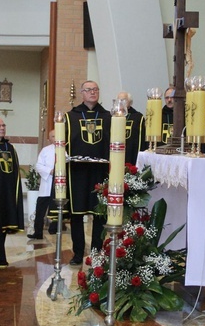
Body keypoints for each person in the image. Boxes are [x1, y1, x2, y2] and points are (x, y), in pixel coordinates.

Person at [64, 80, 110, 265]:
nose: (92, 92)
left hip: (100, 171)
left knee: (99, 214)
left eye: (95, 89)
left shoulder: (108, 117)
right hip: (78, 172)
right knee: (77, 214)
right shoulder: (70, 117)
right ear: (82, 93)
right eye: (89, 90)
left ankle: (97, 252)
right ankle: (77, 253)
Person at [27, 133, 56, 240]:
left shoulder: (66, 150)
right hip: (46, 183)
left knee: (57, 209)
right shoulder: (45, 150)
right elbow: (39, 165)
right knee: (40, 210)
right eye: (53, 136)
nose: (56, 137)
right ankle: (38, 232)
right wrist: (50, 171)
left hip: (59, 185)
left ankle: (54, 229)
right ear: (49, 139)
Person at [116, 91, 146, 165]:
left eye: (123, 100)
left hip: (131, 152)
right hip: (117, 151)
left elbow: (140, 138)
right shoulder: (113, 117)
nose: (121, 102)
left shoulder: (137, 117)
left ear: (130, 102)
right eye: (119, 100)